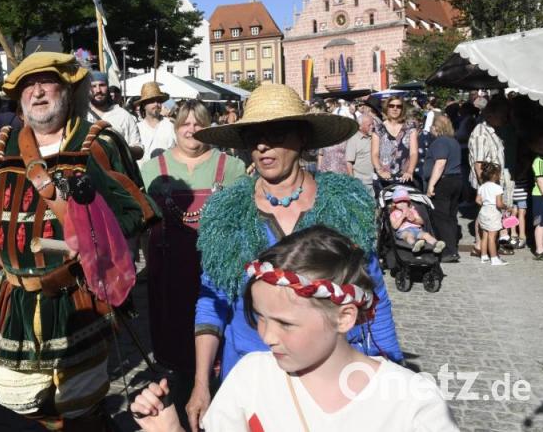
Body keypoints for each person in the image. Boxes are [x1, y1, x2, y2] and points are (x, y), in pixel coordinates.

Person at [184, 84, 403, 432]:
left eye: (275, 133)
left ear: (302, 137)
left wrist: (392, 363)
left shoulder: (346, 204)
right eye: (253, 135)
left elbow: (373, 293)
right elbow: (212, 303)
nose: (262, 145)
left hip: (334, 376)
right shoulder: (226, 214)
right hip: (254, 374)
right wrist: (200, 384)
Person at [0, 52, 156, 430]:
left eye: (46, 82)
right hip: (15, 296)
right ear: (18, 98)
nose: (37, 92)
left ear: (67, 90)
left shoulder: (97, 143)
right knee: (15, 395)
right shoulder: (0, 149)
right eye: (27, 86)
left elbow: (137, 210)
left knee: (79, 399)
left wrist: (92, 232)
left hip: (77, 296)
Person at [131, 226, 457, 432]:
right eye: (259, 317)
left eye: (286, 323)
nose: (267, 336)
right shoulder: (251, 378)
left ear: (344, 317)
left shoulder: (411, 402)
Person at [140, 100, 245, 407]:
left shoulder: (233, 167)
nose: (191, 129)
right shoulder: (151, 170)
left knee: (218, 343)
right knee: (177, 352)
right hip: (170, 274)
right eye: (185, 123)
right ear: (175, 127)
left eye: (198, 123)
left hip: (216, 272)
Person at [468, 98, 512, 251]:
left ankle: (490, 244)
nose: (506, 118)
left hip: (493, 182)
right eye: (504, 114)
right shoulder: (481, 133)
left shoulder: (493, 130)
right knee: (485, 214)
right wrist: (484, 187)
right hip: (486, 182)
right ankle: (479, 245)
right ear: (493, 114)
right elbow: (478, 164)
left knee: (491, 214)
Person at [423, 114, 463, 262]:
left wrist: (431, 184)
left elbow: (440, 163)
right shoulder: (453, 141)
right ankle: (452, 247)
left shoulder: (440, 142)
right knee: (451, 216)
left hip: (443, 182)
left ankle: (448, 250)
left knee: (441, 217)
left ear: (436, 127)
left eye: (432, 126)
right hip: (456, 180)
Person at [86, 71, 143, 159]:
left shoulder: (123, 115)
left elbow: (139, 151)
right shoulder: (82, 115)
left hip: (115, 171)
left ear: (108, 87)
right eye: (93, 86)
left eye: (102, 85)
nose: (98, 90)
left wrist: (120, 148)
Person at [371, 96, 419, 192]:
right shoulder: (378, 128)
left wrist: (410, 171)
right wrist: (380, 171)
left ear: (402, 109)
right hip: (384, 178)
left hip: (404, 178)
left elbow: (413, 153)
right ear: (387, 108)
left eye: (398, 106)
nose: (395, 108)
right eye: (391, 106)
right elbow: (374, 153)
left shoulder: (410, 128)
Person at [389, 187, 445, 253]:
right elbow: (394, 226)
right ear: (394, 204)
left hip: (417, 230)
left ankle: (437, 244)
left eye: (404, 201)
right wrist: (402, 217)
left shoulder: (412, 210)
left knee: (426, 235)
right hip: (403, 231)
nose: (402, 203)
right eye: (399, 202)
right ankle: (415, 244)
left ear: (408, 202)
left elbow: (421, 222)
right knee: (409, 235)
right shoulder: (393, 213)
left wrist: (414, 220)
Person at [476, 163, 508, 266]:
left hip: (483, 211)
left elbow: (477, 200)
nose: (500, 176)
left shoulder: (482, 187)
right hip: (493, 212)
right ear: (494, 175)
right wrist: (506, 207)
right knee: (492, 237)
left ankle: (484, 256)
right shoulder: (497, 188)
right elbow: (499, 204)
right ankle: (494, 258)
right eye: (499, 174)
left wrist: (485, 203)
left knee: (484, 235)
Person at [136, 82, 176, 162]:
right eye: (152, 101)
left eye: (159, 101)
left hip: (167, 172)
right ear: (144, 105)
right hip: (142, 173)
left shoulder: (170, 126)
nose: (156, 104)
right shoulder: (137, 128)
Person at [345, 112, 375, 194]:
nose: (372, 127)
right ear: (360, 126)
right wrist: (352, 180)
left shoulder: (375, 137)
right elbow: (348, 162)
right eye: (369, 125)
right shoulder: (354, 139)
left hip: (375, 180)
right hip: (361, 181)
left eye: (373, 124)